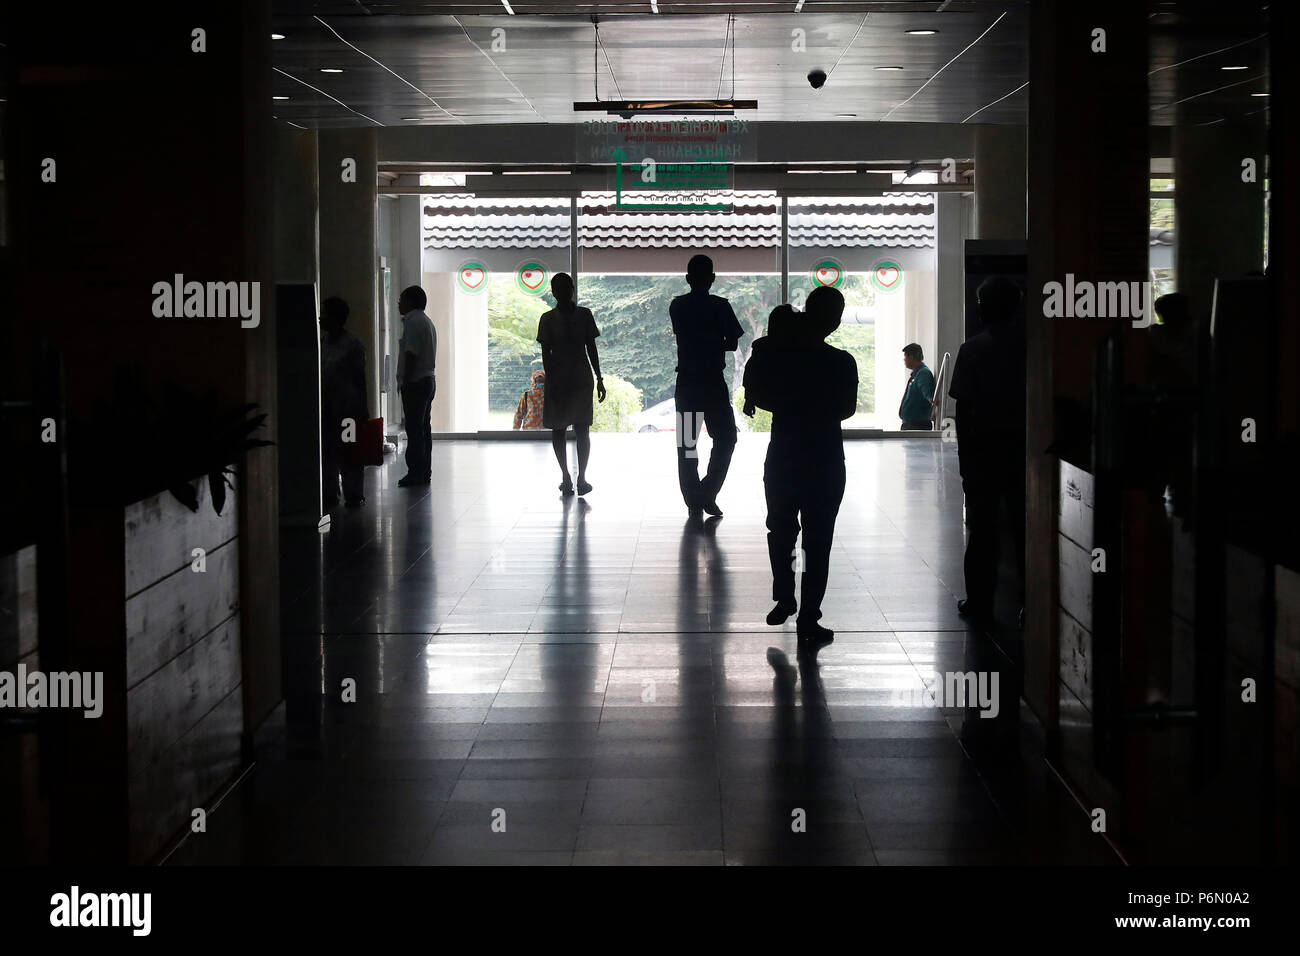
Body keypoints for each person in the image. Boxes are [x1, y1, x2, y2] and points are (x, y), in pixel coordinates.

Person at [744, 287, 858, 645]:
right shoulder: (841, 362)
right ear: (835, 320)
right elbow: (846, 410)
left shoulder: (776, 355)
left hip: (784, 454)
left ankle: (784, 596)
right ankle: (809, 613)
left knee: (780, 529)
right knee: (818, 539)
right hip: (825, 456)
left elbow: (759, 394)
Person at [948, 276, 1027, 631]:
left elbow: (963, 410)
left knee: (983, 530)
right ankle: (1033, 599)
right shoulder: (1031, 347)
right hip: (1024, 451)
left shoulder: (973, 349)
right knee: (1026, 529)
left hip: (983, 451)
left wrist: (965, 460)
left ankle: (980, 599)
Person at [670, 254, 745, 517]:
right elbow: (733, 342)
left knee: (687, 443)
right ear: (712, 278)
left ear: (687, 279)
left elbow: (687, 336)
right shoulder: (721, 306)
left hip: (688, 382)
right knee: (726, 438)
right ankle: (707, 491)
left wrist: (703, 342)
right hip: (713, 382)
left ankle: (693, 498)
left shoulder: (677, 306)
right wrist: (716, 342)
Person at [537, 273, 605, 495]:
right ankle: (571, 477)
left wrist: (599, 378)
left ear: (571, 289)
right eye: (560, 288)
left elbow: (590, 349)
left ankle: (576, 477)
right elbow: (547, 353)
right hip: (570, 377)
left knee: (575, 428)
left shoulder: (567, 317)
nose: (564, 293)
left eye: (566, 288)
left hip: (574, 378)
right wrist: (598, 378)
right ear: (555, 292)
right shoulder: (553, 319)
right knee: (569, 428)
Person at [319, 296, 367, 509]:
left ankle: (354, 493)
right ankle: (329, 492)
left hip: (347, 408)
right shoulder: (322, 343)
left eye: (325, 313)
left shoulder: (353, 344)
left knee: (349, 450)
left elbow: (360, 378)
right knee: (327, 450)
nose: (320, 318)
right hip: (326, 407)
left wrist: (363, 409)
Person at [396, 285, 436, 488]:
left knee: (414, 430)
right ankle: (424, 472)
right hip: (428, 379)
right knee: (423, 429)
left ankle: (414, 473)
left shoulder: (412, 321)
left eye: (401, 299)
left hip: (416, 381)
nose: (398, 303)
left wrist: (406, 380)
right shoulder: (426, 321)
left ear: (410, 302)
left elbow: (410, 353)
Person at [743, 304, 796, 418]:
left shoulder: (761, 347)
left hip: (774, 402)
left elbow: (750, 374)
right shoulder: (801, 349)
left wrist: (749, 399)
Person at [898, 343, 936, 430]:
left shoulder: (923, 373)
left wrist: (931, 398)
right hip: (911, 424)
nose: (904, 360)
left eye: (905, 357)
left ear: (911, 357)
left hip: (917, 425)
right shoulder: (916, 374)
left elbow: (926, 391)